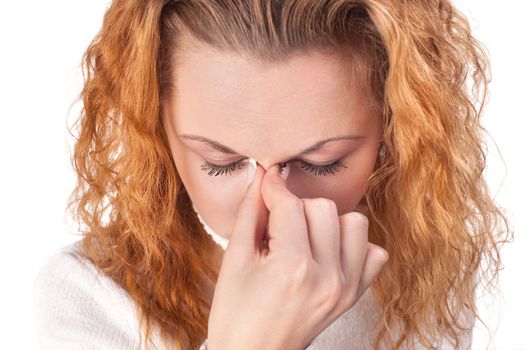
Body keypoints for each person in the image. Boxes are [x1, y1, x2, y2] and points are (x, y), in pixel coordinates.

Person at [33, 0, 512, 349]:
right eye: (219, 161)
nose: (266, 201)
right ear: (156, 131)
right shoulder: (88, 294)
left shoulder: (421, 275)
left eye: (321, 162)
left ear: (394, 128)